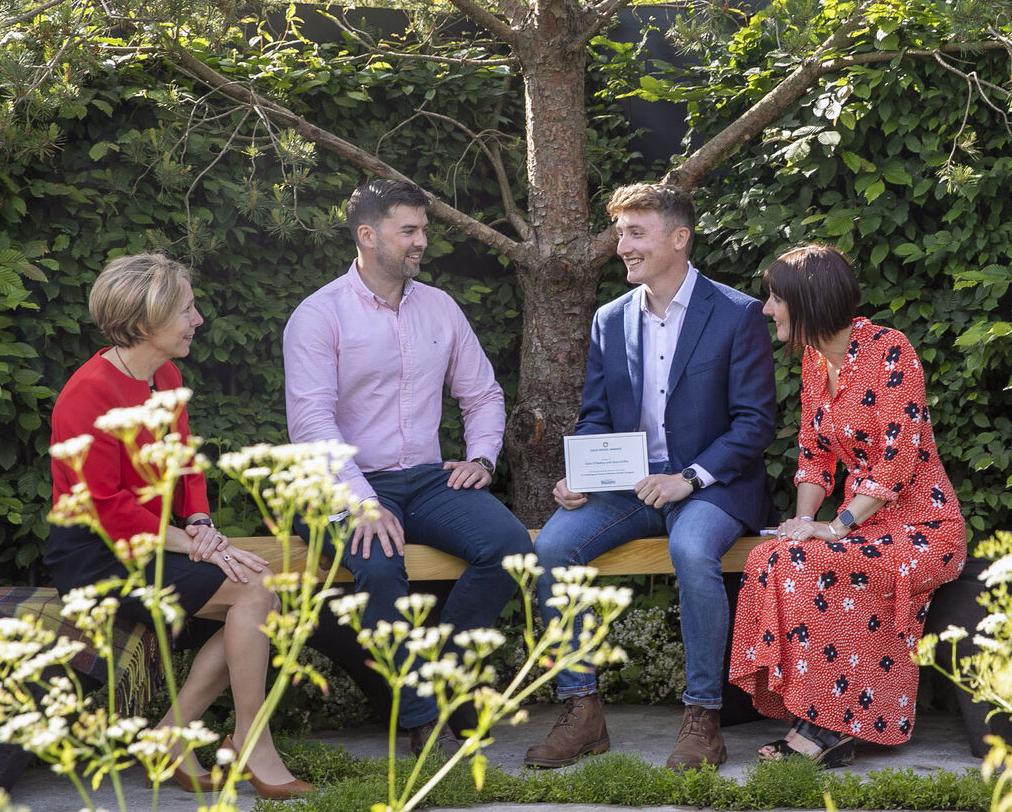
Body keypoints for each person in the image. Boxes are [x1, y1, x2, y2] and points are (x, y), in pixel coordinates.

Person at [524, 183, 778, 770]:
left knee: (692, 551)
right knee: (555, 546)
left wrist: (689, 477)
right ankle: (581, 711)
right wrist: (579, 474)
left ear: (679, 239)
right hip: (631, 487)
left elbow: (754, 423)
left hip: (712, 487)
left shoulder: (736, 313)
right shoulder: (610, 319)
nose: (622, 246)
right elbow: (595, 417)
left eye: (636, 233)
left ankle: (703, 718)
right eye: (620, 233)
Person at [46, 253, 313, 799]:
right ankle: (244, 741)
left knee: (261, 596)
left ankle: (179, 734)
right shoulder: (87, 394)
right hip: (98, 553)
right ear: (146, 324)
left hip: (163, 537)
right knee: (260, 595)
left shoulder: (165, 374)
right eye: (187, 310)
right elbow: (105, 509)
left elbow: (186, 461)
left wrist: (200, 522)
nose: (198, 320)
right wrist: (198, 546)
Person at [283, 178, 534, 754]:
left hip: (424, 478)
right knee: (378, 559)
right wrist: (360, 501)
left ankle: (443, 683)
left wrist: (481, 456)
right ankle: (420, 719)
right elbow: (311, 423)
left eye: (424, 229)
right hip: (336, 482)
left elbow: (483, 395)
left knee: (510, 547)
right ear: (368, 236)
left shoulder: (439, 308)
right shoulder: (319, 316)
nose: (422, 241)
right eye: (409, 230)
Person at [728, 244, 967, 767]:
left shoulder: (890, 350)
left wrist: (834, 529)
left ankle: (827, 727)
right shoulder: (816, 364)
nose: (767, 310)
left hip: (924, 526)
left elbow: (896, 465)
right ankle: (811, 710)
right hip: (864, 524)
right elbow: (815, 457)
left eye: (776, 299)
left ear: (809, 300)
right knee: (772, 557)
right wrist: (803, 522)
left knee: (816, 562)